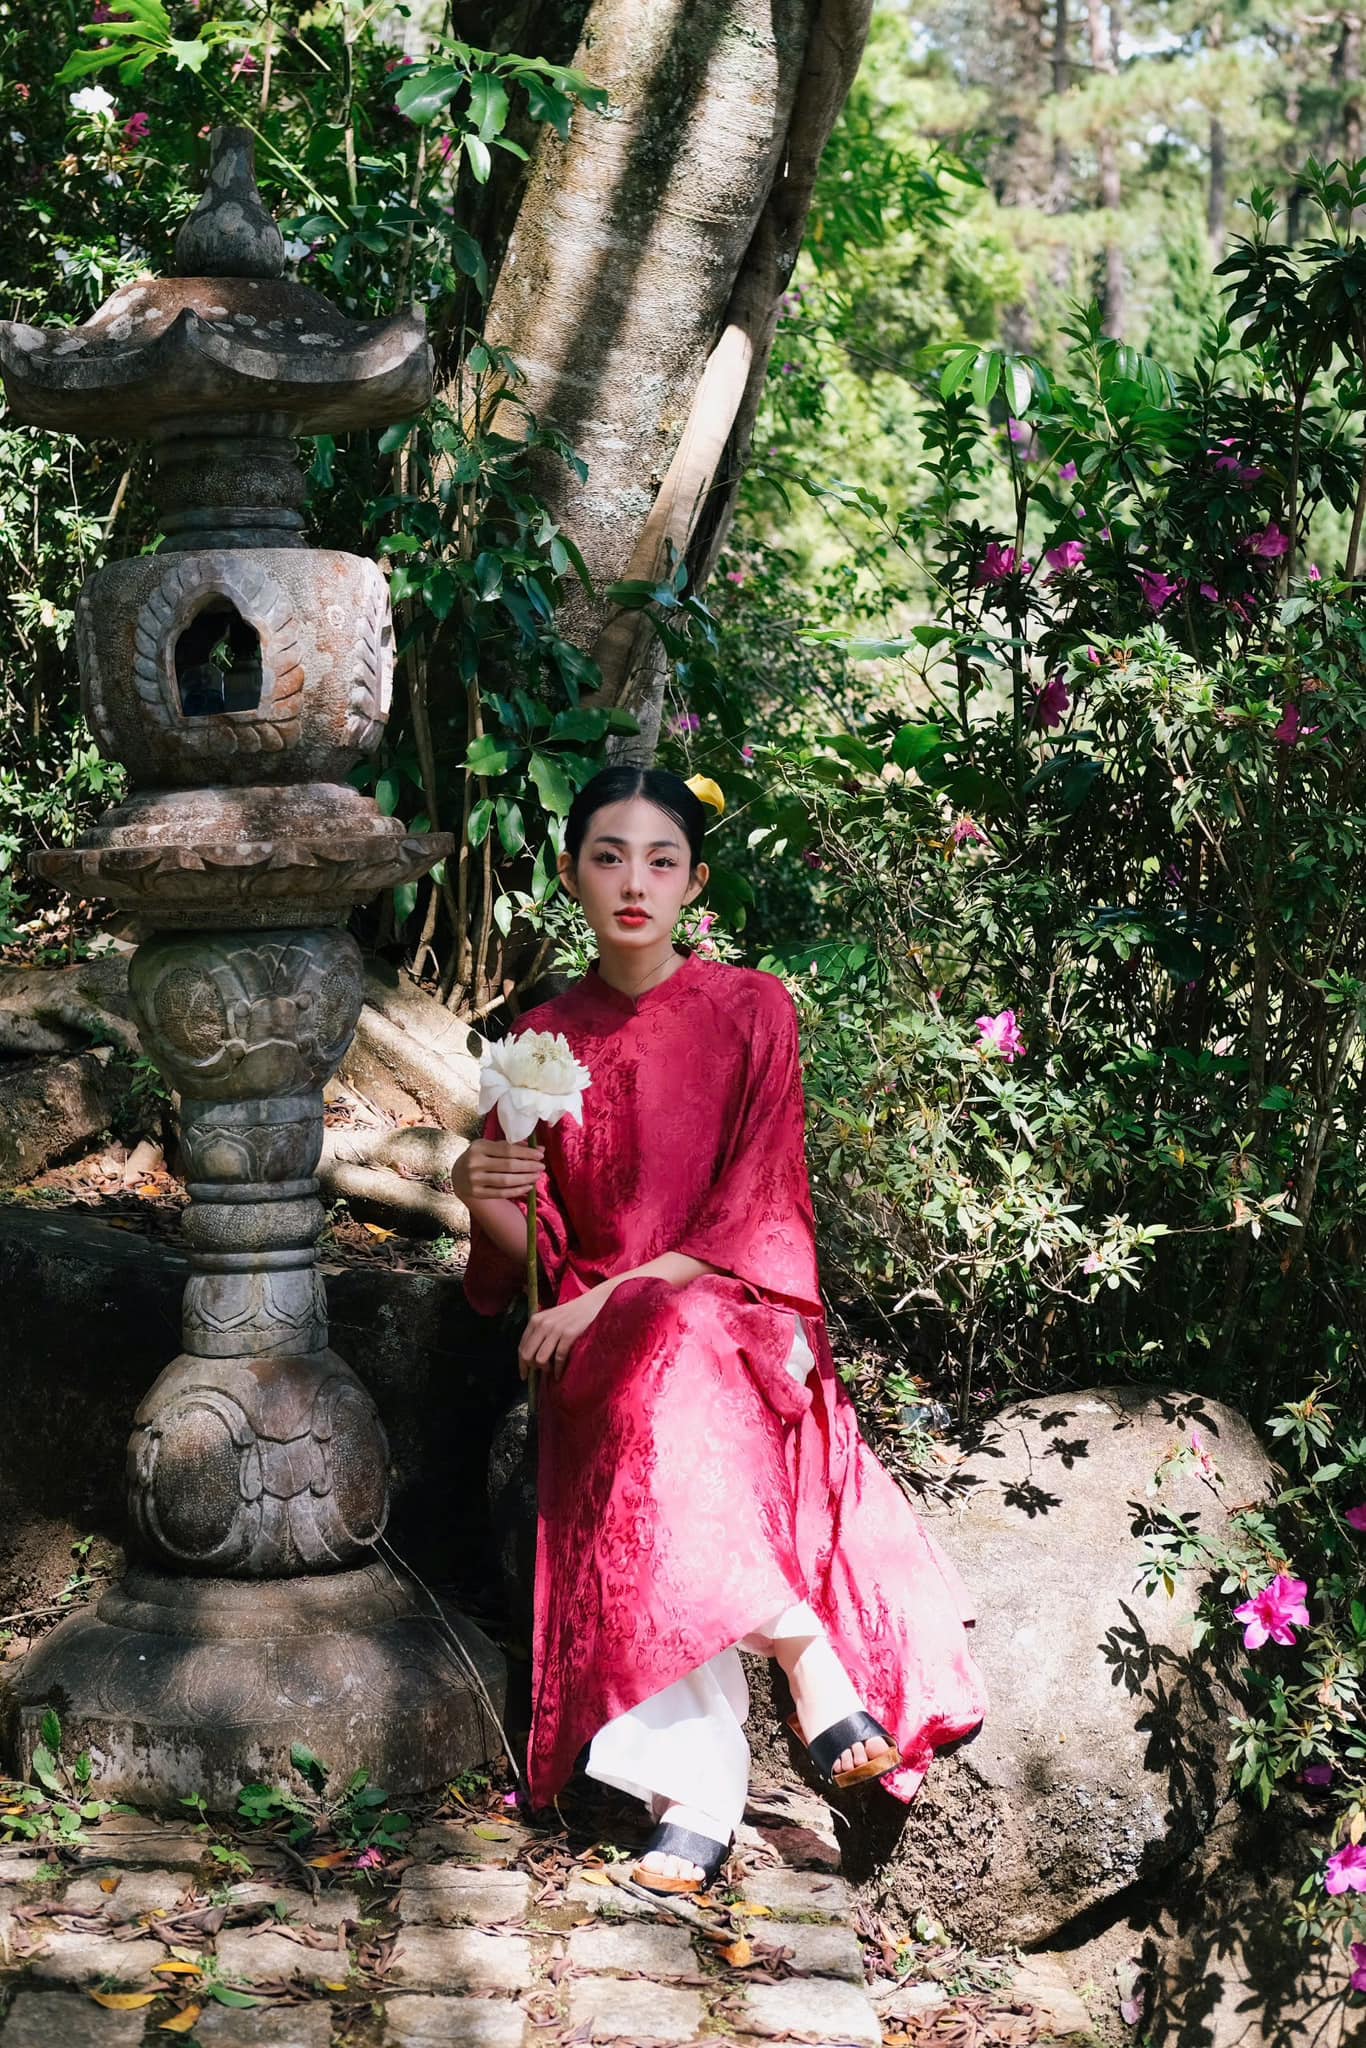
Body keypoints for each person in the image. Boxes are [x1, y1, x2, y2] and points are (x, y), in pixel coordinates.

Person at [453, 765, 985, 1894]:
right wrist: (472, 1186)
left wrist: (610, 1295)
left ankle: (699, 1789)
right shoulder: (538, 1041)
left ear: (695, 879)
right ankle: (793, 1666)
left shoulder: (754, 1008)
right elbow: (529, 1254)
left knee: (680, 1346)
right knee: (649, 1372)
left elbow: (759, 1211)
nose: (632, 881)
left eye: (659, 859)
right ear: (569, 873)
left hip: (738, 1307)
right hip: (605, 1333)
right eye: (607, 855)